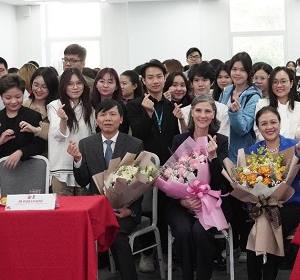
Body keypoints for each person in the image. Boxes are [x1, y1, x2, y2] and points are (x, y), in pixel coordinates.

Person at [68, 99, 143, 280]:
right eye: (103, 114)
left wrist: (130, 210)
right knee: (72, 232)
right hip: (95, 210)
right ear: (97, 119)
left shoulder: (134, 144)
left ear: (121, 119)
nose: (107, 119)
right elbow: (82, 180)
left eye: (112, 114)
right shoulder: (86, 144)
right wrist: (78, 159)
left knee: (116, 233)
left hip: (122, 210)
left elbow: (140, 183)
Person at [167, 95, 230, 280]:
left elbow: (222, 181)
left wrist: (212, 158)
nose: (203, 115)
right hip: (182, 202)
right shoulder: (179, 139)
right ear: (192, 113)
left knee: (200, 232)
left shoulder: (221, 140)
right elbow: (171, 175)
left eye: (208, 111)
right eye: (198, 110)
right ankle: (186, 275)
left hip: (212, 202)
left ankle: (204, 276)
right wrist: (182, 200)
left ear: (213, 115)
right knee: (184, 231)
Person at [246, 106, 300, 280]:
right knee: (262, 227)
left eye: (273, 122)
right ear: (258, 127)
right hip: (262, 206)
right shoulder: (253, 150)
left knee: (267, 227)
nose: (269, 127)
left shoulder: (292, 145)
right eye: (264, 123)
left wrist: (299, 153)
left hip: (290, 204)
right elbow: (246, 183)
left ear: (280, 124)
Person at [127, 60, 180, 270]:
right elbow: (138, 134)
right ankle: (147, 253)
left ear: (165, 77)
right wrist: (147, 114)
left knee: (166, 210)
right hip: (144, 165)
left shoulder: (171, 105)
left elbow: (177, 137)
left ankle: (165, 252)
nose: (155, 81)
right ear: (143, 80)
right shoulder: (134, 105)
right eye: (150, 77)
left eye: (159, 76)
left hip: (169, 166)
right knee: (147, 210)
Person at [217, 52, 261, 263]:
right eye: (234, 69)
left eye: (242, 69)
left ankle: (245, 247)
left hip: (243, 156)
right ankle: (231, 245)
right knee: (226, 201)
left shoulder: (254, 95)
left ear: (249, 73)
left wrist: (235, 113)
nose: (237, 73)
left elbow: (244, 127)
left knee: (243, 203)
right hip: (223, 153)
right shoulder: (225, 91)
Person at [0, 74, 47, 196]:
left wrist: (21, 152)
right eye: (8, 98)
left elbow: (40, 145)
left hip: (27, 173)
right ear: (2, 97)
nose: (13, 101)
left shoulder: (33, 116)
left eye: (18, 97)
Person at [47, 68, 95, 196]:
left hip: (82, 168)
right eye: (70, 84)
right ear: (63, 86)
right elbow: (58, 135)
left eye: (79, 83)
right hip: (61, 168)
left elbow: (92, 137)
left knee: (83, 210)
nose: (75, 87)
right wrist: (63, 119)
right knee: (63, 213)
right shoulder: (55, 105)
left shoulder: (90, 109)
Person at [254, 67, 300, 141]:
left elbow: (298, 136)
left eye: (283, 81)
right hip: (267, 150)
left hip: (292, 150)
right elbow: (258, 131)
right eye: (275, 82)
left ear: (291, 83)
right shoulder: (262, 104)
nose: (279, 85)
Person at [178, 61, 230, 137]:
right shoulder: (184, 112)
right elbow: (184, 138)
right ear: (192, 83)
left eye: (204, 80)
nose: (200, 84)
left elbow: (224, 137)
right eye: (196, 80)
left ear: (211, 82)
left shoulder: (223, 109)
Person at [22, 66, 59, 142]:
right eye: (36, 85)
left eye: (44, 87)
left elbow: (58, 135)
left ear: (52, 87)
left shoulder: (56, 107)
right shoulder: (23, 104)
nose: (39, 90)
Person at [90, 67, 129, 134]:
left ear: (116, 86)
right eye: (102, 81)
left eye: (110, 82)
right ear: (96, 84)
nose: (105, 85)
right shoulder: (89, 103)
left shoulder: (120, 106)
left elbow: (123, 131)